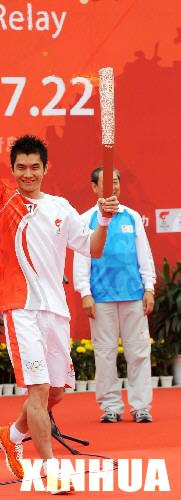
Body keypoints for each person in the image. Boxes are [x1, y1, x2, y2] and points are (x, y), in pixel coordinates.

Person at [0, 67, 119, 488]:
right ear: (13, 168)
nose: (27, 173)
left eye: (34, 167)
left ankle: (11, 436)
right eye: (21, 167)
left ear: (46, 168)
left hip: (56, 311)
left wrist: (103, 218)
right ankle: (50, 472)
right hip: (20, 306)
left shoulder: (62, 207)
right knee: (40, 392)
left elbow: (94, 248)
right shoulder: (3, 199)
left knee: (57, 393)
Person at [73, 167, 156, 424]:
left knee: (138, 352)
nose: (113, 188)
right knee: (105, 354)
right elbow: (81, 257)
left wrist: (149, 287)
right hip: (101, 297)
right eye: (107, 184)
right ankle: (110, 406)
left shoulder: (131, 217)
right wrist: (85, 292)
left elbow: (145, 255)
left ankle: (141, 406)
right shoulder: (86, 220)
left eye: (116, 182)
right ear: (94, 188)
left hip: (133, 294)